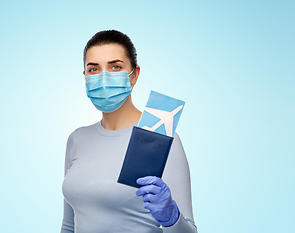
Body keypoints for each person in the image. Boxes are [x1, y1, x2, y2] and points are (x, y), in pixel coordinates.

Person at [61, 30, 197, 232]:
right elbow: (68, 225)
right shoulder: (77, 139)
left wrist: (172, 218)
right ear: (85, 76)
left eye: (115, 67)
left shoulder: (159, 136)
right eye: (93, 69)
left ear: (134, 74)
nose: (104, 78)